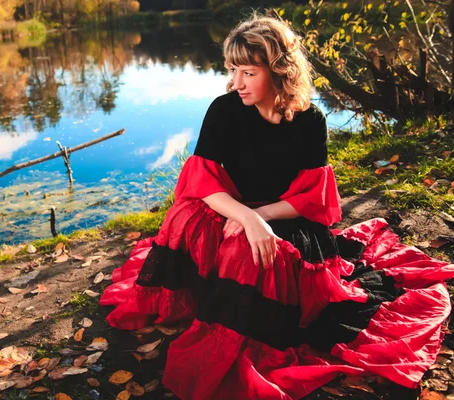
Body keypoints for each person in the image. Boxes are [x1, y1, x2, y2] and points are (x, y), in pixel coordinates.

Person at [100, 13, 454, 400]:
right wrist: (247, 216)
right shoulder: (225, 109)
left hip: (288, 215)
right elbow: (202, 185)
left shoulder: (311, 121)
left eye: (248, 72)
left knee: (247, 252)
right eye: (232, 70)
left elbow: (311, 200)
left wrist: (263, 217)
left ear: (280, 70)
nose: (236, 82)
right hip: (233, 207)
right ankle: (212, 291)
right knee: (184, 216)